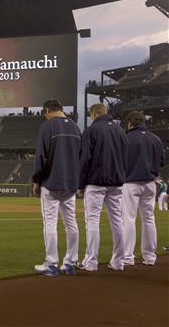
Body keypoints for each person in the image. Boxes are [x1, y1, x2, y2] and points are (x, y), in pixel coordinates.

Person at [31, 99, 81, 276]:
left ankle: (51, 263)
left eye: (44, 113)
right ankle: (70, 263)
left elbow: (41, 156)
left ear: (47, 110)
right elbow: (80, 158)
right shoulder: (75, 127)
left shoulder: (48, 126)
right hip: (70, 184)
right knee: (71, 223)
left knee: (50, 223)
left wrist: (36, 181)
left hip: (51, 182)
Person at [78, 103, 128, 272]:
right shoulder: (120, 130)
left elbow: (85, 159)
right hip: (116, 182)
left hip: (96, 181)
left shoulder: (92, 130)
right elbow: (125, 157)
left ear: (93, 114)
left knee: (92, 220)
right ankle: (118, 262)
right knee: (117, 221)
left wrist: (80, 183)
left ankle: (91, 262)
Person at [122, 111, 164, 266]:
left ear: (130, 122)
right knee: (149, 219)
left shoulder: (126, 138)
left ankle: (127, 257)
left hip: (130, 183)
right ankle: (150, 257)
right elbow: (161, 162)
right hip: (150, 183)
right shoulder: (156, 138)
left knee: (129, 220)